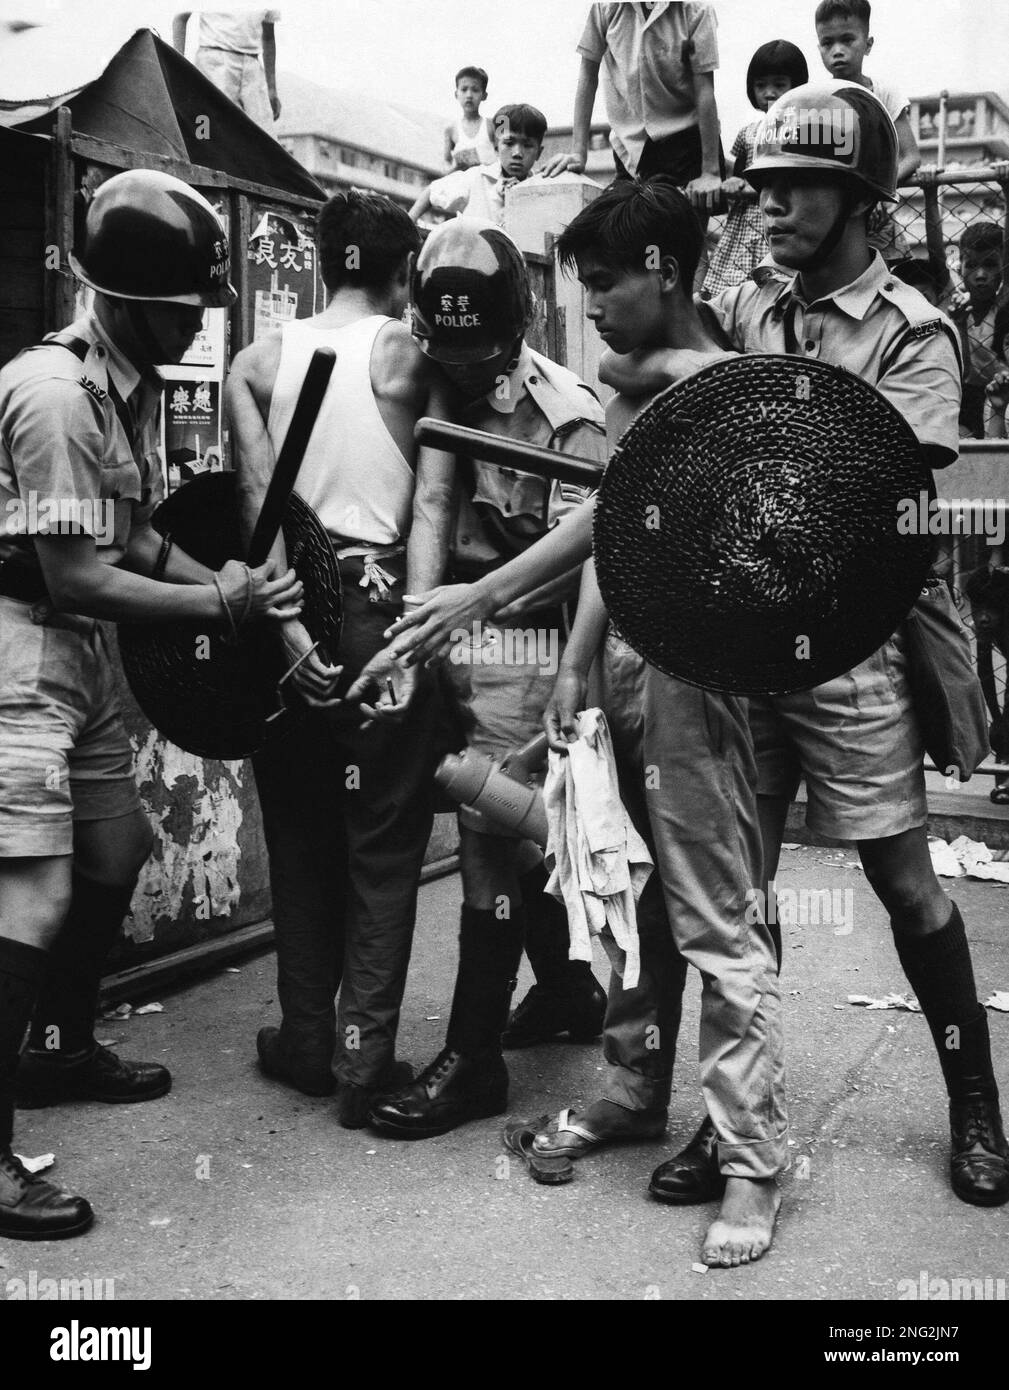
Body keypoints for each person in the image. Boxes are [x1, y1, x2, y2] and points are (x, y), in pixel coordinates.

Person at [604, 81, 1009, 1209]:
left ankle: (974, 1099)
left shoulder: (913, 334)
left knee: (903, 882)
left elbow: (882, 483)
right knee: (743, 895)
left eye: (797, 188)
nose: (771, 205)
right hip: (746, 642)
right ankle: (740, 1128)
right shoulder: (747, 311)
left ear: (857, 199)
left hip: (852, 647)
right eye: (766, 186)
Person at [380, 186, 789, 1268]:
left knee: (713, 917)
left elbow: (610, 513)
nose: (592, 306)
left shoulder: (727, 394)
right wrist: (571, 664)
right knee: (629, 899)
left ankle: (749, 1162)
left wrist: (475, 598)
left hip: (701, 681)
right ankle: (628, 1087)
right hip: (622, 666)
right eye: (580, 284)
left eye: (604, 282)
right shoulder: (629, 386)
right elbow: (614, 532)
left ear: (663, 268)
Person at [0, 169, 303, 1240]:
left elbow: (130, 538)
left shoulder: (122, 383)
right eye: (188, 306)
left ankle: (59, 1047)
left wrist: (222, 578)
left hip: (77, 653)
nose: (200, 322)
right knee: (29, 900)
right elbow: (77, 572)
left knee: (114, 853)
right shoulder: (54, 398)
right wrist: (212, 602)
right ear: (127, 297)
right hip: (22, 650)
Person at [367, 218, 609, 1143]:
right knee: (515, 839)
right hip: (460, 633)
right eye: (449, 354)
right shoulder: (447, 379)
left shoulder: (569, 417)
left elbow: (589, 557)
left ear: (518, 328)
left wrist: (479, 609)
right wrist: (419, 624)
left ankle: (472, 1061)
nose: (465, 372)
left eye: (482, 355)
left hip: (528, 642)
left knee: (486, 831)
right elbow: (432, 499)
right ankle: (567, 988)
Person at [226, 191, 457, 1130]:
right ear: (403, 272)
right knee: (384, 842)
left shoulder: (255, 361)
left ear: (323, 263)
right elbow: (433, 503)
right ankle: (366, 1063)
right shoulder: (416, 358)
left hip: (288, 618)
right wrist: (410, 636)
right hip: (378, 611)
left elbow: (257, 511)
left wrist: (283, 636)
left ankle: (304, 1043)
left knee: (297, 831)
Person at [542, 3, 725, 218]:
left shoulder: (695, 10)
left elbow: (704, 90)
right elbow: (587, 76)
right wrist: (578, 151)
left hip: (685, 145)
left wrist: (710, 173)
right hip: (630, 147)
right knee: (623, 237)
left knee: (682, 243)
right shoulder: (605, 8)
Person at [814, 0, 919, 261]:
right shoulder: (819, 100)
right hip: (833, 215)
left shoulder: (883, 93)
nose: (837, 51)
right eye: (828, 43)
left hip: (877, 214)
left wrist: (874, 194)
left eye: (847, 40)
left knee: (890, 281)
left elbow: (911, 157)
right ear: (819, 48)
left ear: (868, 44)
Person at [702, 38, 808, 297]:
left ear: (797, 87)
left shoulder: (801, 131)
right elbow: (738, 175)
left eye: (779, 85)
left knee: (777, 285)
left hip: (779, 214)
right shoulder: (748, 133)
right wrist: (735, 184)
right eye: (761, 86)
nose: (769, 92)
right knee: (734, 286)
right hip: (745, 221)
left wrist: (753, 187)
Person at [410, 103, 547, 227]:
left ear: (539, 153)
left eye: (528, 145)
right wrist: (407, 226)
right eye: (509, 143)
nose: (517, 153)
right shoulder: (476, 178)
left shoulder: (542, 190)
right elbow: (431, 192)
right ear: (496, 146)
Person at [945, 222, 1009, 439]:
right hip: (968, 398)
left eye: (990, 264)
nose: (980, 274)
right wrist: (960, 325)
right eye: (971, 265)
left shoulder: (1004, 305)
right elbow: (962, 373)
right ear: (960, 266)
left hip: (1003, 392)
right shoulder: (957, 305)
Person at [173, 7, 282, 128]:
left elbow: (268, 37)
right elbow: (180, 18)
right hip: (214, 61)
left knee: (264, 133)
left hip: (252, 64)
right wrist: (177, 70)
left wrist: (272, 89)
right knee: (209, 129)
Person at [966, 564, 1009, 804]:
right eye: (977, 608)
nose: (983, 616)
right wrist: (996, 718)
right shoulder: (984, 622)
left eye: (991, 610)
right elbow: (985, 672)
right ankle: (1004, 771)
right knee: (1002, 729)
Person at [444, 66, 496, 171]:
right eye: (464, 90)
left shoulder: (492, 124)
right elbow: (446, 164)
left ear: (484, 95)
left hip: (490, 183)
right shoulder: (450, 129)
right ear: (456, 94)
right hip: (463, 184)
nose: (469, 95)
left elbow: (504, 154)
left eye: (475, 90)